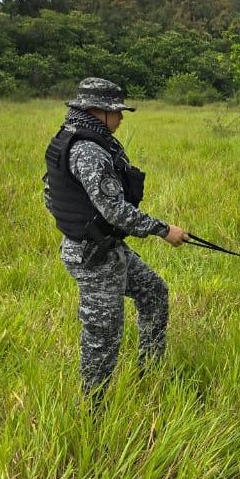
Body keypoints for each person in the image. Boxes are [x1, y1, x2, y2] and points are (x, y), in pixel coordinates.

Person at [43, 77, 187, 405]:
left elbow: (50, 195)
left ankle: (151, 370)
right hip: (94, 257)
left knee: (153, 291)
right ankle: (93, 410)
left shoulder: (71, 139)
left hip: (107, 247)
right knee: (103, 339)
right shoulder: (88, 150)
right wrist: (165, 230)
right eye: (116, 112)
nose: (121, 117)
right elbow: (117, 211)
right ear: (98, 111)